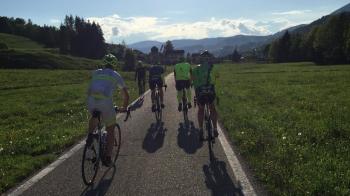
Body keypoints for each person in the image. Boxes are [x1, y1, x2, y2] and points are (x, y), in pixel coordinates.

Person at [86, 53, 129, 167]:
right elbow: (125, 95)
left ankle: (90, 136)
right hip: (105, 103)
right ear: (114, 65)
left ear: (103, 64)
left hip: (90, 101)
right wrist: (124, 107)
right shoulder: (115, 74)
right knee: (111, 130)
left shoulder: (96, 72)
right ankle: (108, 158)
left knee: (95, 115)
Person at [191, 50, 218, 139]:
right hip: (210, 91)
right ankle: (215, 129)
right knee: (212, 108)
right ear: (209, 58)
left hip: (200, 92)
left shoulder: (195, 69)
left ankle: (201, 129)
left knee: (201, 109)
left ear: (200, 59)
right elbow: (217, 77)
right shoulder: (213, 68)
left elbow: (193, 81)